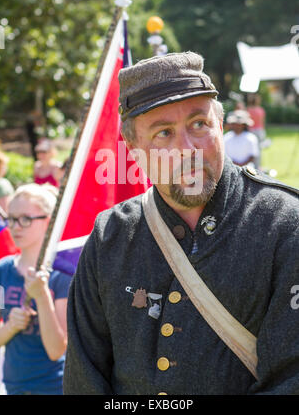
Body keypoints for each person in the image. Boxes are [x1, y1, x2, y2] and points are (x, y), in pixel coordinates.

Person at [63, 52, 299, 395]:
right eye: (163, 133)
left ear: (219, 125)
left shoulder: (285, 224)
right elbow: (84, 377)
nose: (187, 148)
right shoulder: (109, 235)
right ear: (133, 149)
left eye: (199, 125)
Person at [0, 183, 72, 395]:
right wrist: (11, 326)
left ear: (49, 223)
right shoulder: (3, 270)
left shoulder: (62, 275)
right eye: (11, 219)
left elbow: (56, 349)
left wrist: (42, 297)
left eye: (25, 219)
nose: (15, 227)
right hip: (14, 387)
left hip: (54, 387)